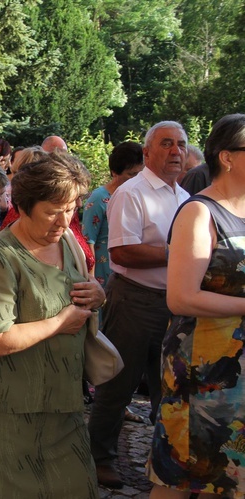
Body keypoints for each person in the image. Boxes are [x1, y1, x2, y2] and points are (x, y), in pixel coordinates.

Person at [0, 151, 103, 498]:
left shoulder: (65, 240)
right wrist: (61, 321)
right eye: (52, 211)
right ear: (24, 206)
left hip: (62, 403)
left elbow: (75, 289)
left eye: (71, 209)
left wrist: (97, 295)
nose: (63, 221)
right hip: (5, 410)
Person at [146, 114, 245, 498]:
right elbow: (181, 297)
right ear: (228, 157)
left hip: (238, 369)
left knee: (230, 478)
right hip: (203, 371)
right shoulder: (199, 212)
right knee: (184, 474)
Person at [88, 121, 190, 489]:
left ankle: (163, 462)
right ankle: (98, 458)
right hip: (134, 299)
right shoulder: (132, 192)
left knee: (169, 390)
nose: (175, 151)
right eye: (166, 144)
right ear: (148, 152)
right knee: (118, 384)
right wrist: (178, 253)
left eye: (180, 144)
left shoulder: (182, 197)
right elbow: (122, 250)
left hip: (173, 304)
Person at [82, 141, 144, 286]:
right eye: (132, 174)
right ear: (114, 172)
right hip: (104, 272)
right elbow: (88, 240)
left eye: (141, 174)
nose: (137, 180)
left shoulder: (139, 197)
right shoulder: (99, 198)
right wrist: (91, 278)